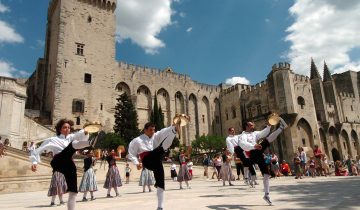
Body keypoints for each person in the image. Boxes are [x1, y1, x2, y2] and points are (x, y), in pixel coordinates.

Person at [29, 119, 96, 210]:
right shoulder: (53, 139)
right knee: (73, 144)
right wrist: (34, 162)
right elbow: (37, 149)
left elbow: (79, 135)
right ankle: (89, 143)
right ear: (60, 129)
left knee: (73, 192)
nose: (67, 129)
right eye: (65, 127)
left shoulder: (71, 137)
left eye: (68, 127)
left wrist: (85, 132)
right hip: (58, 160)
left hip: (68, 162)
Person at [128, 121, 180, 210]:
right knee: (162, 149)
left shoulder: (155, 136)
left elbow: (164, 131)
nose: (153, 132)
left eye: (154, 130)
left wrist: (172, 128)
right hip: (147, 160)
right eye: (151, 130)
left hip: (156, 160)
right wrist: (136, 163)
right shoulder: (137, 140)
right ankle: (174, 131)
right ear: (145, 130)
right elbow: (131, 152)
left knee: (161, 183)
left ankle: (160, 207)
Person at [238, 118, 288, 205]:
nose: (253, 126)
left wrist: (269, 126)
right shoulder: (243, 135)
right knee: (266, 141)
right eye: (251, 125)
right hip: (251, 154)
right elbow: (243, 145)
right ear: (246, 126)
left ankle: (266, 195)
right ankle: (281, 128)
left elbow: (263, 133)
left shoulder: (255, 133)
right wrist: (254, 146)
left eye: (253, 124)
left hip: (258, 154)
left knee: (266, 174)